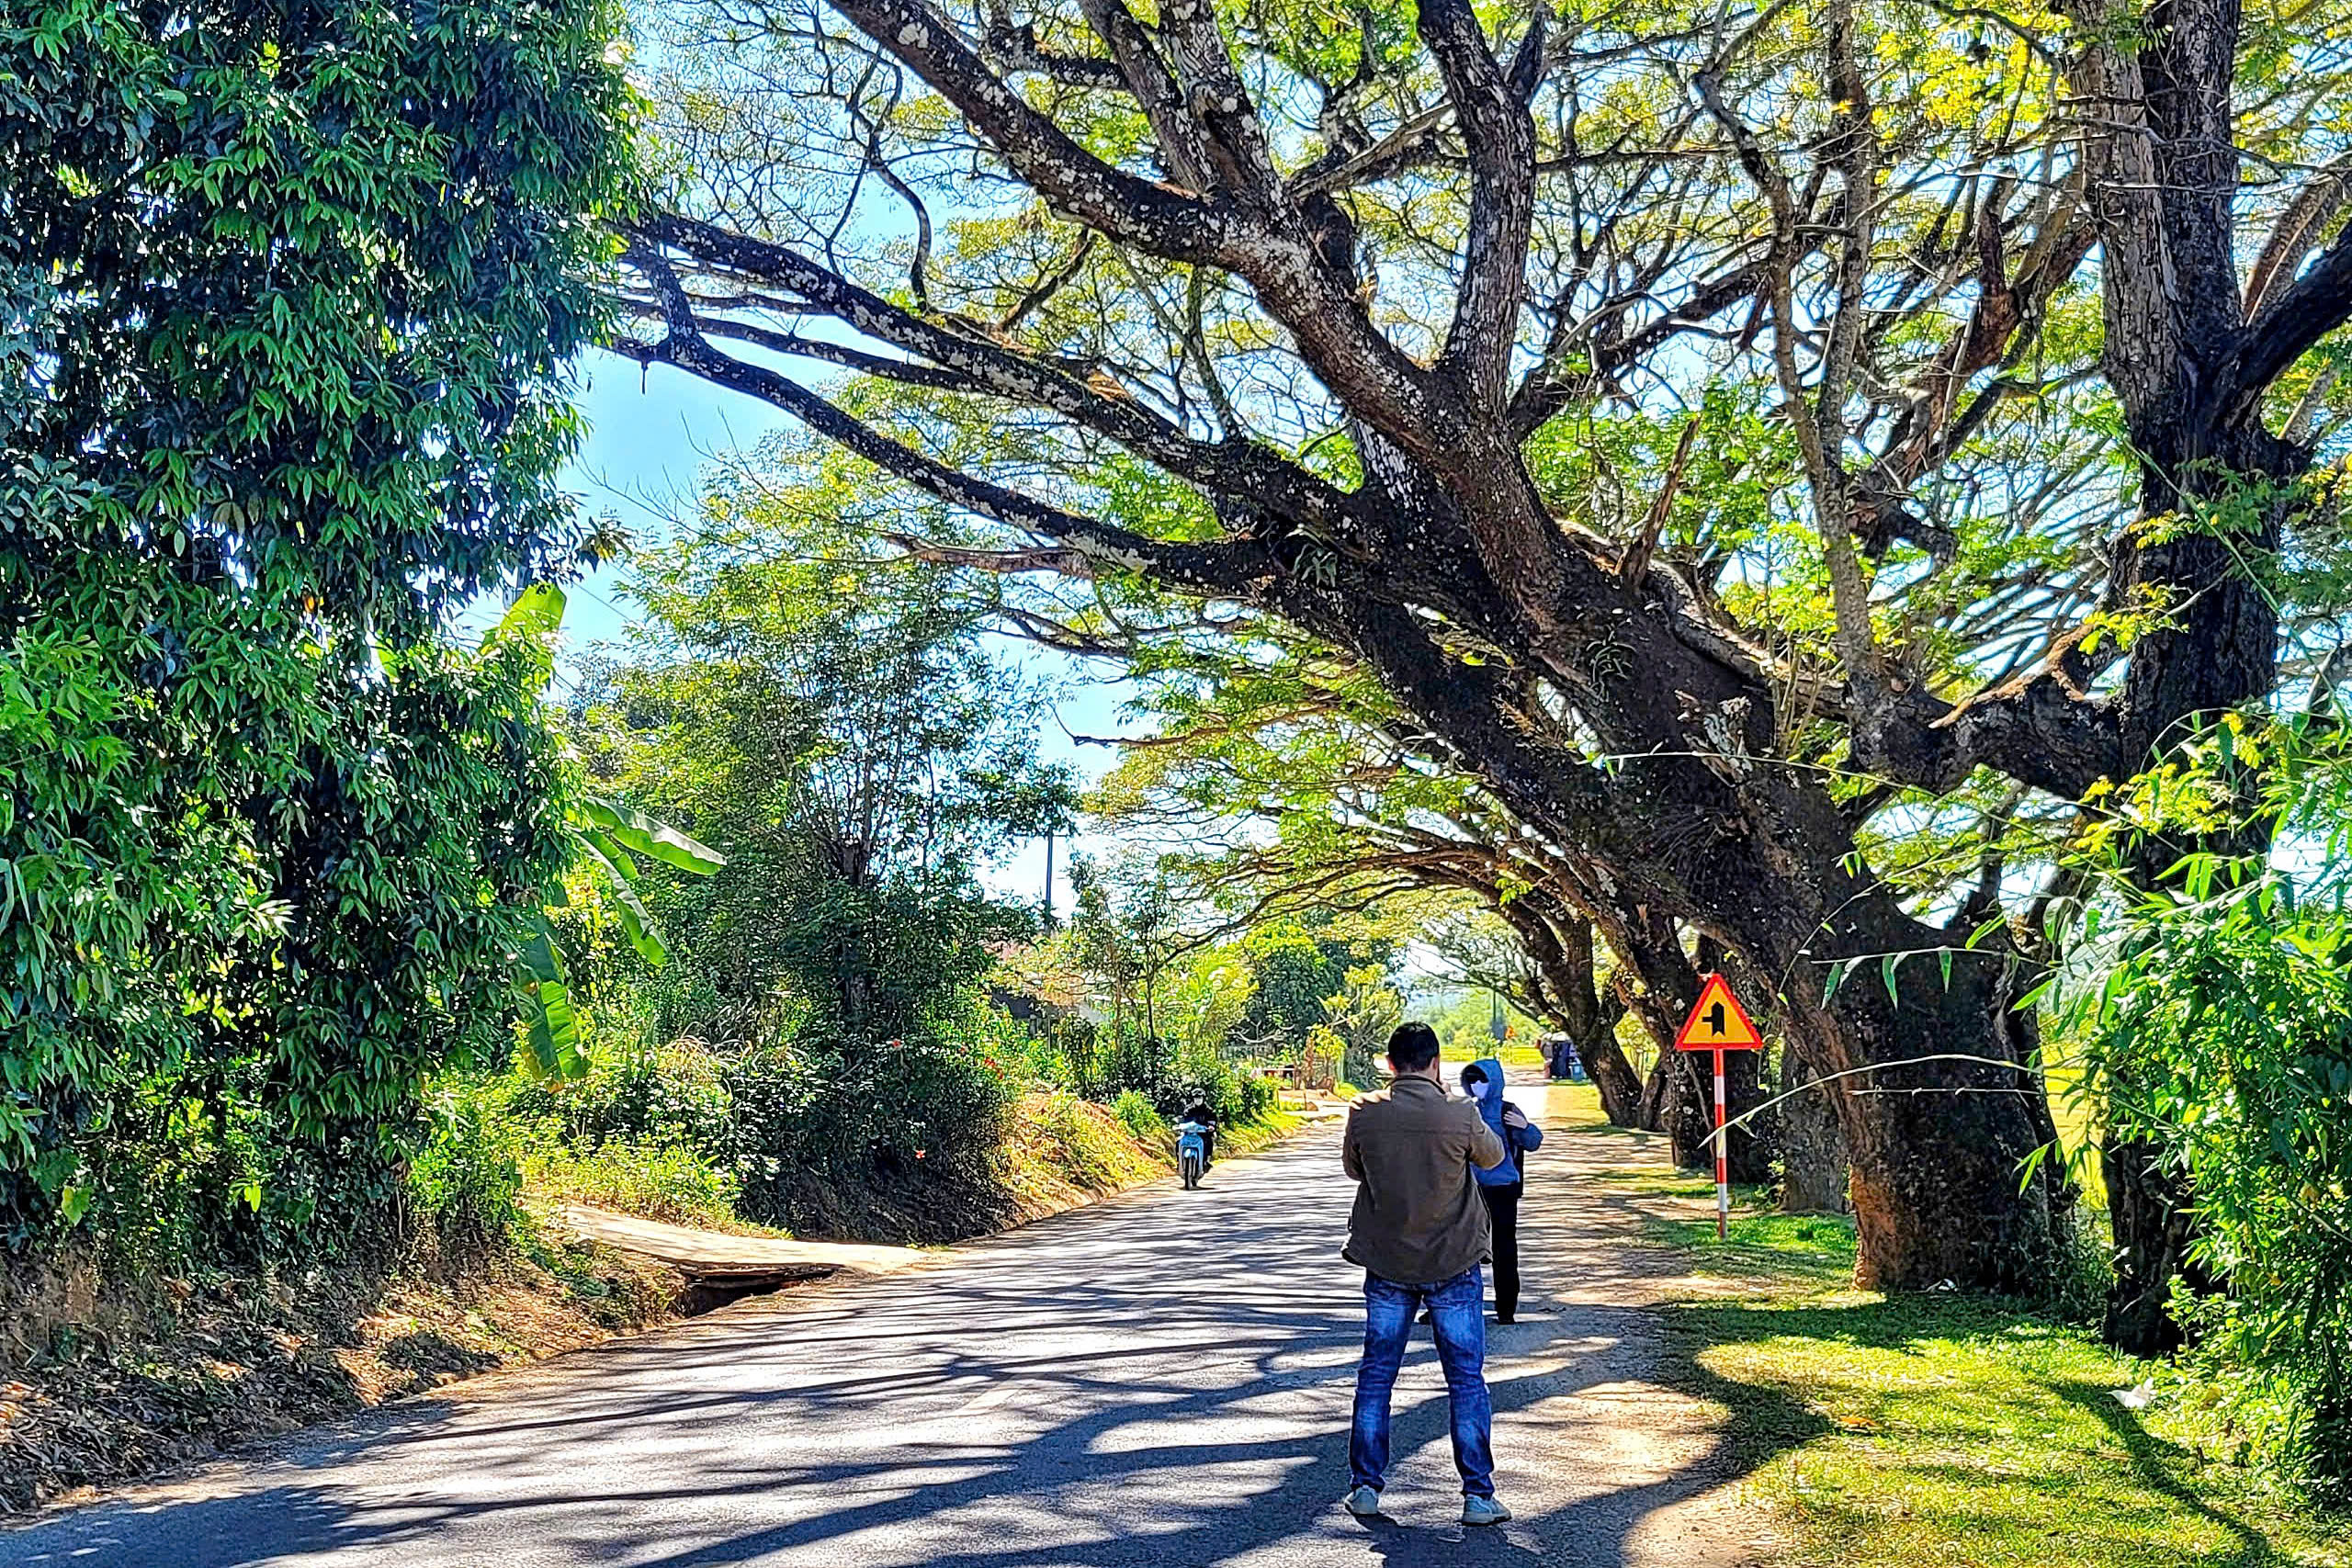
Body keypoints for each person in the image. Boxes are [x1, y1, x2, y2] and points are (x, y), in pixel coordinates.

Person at [1338, 1021, 1513, 1527]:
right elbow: (1495, 1156)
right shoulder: (1459, 1113)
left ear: (1390, 1065)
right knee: (1464, 1380)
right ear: (1435, 1063)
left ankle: (1366, 1488)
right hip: (1453, 1263)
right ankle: (1478, 1496)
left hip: (1388, 1263)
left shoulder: (1364, 1112)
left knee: (1376, 1377)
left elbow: (1354, 1168)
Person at [1460, 1059, 1543, 1324]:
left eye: (1482, 1081)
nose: (1476, 1086)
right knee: (1460, 1249)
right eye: (1471, 1081)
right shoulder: (1465, 1112)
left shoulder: (1508, 1111)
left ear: (1493, 1082)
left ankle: (1506, 1307)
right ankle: (1454, 1304)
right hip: (1470, 1190)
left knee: (1504, 1250)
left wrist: (1524, 1126)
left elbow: (1533, 1142)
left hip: (1503, 1189)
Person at [1179, 1100, 1216, 1168]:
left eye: (1199, 1097)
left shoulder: (1208, 1110)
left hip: (1203, 1134)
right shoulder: (1188, 1109)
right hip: (1189, 1133)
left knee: (1209, 1142)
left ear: (1203, 1098)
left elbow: (1212, 1120)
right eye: (1196, 1098)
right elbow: (1183, 1119)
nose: (1198, 1100)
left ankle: (1206, 1160)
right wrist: (1180, 1126)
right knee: (1178, 1142)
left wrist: (1211, 1126)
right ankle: (1179, 1161)